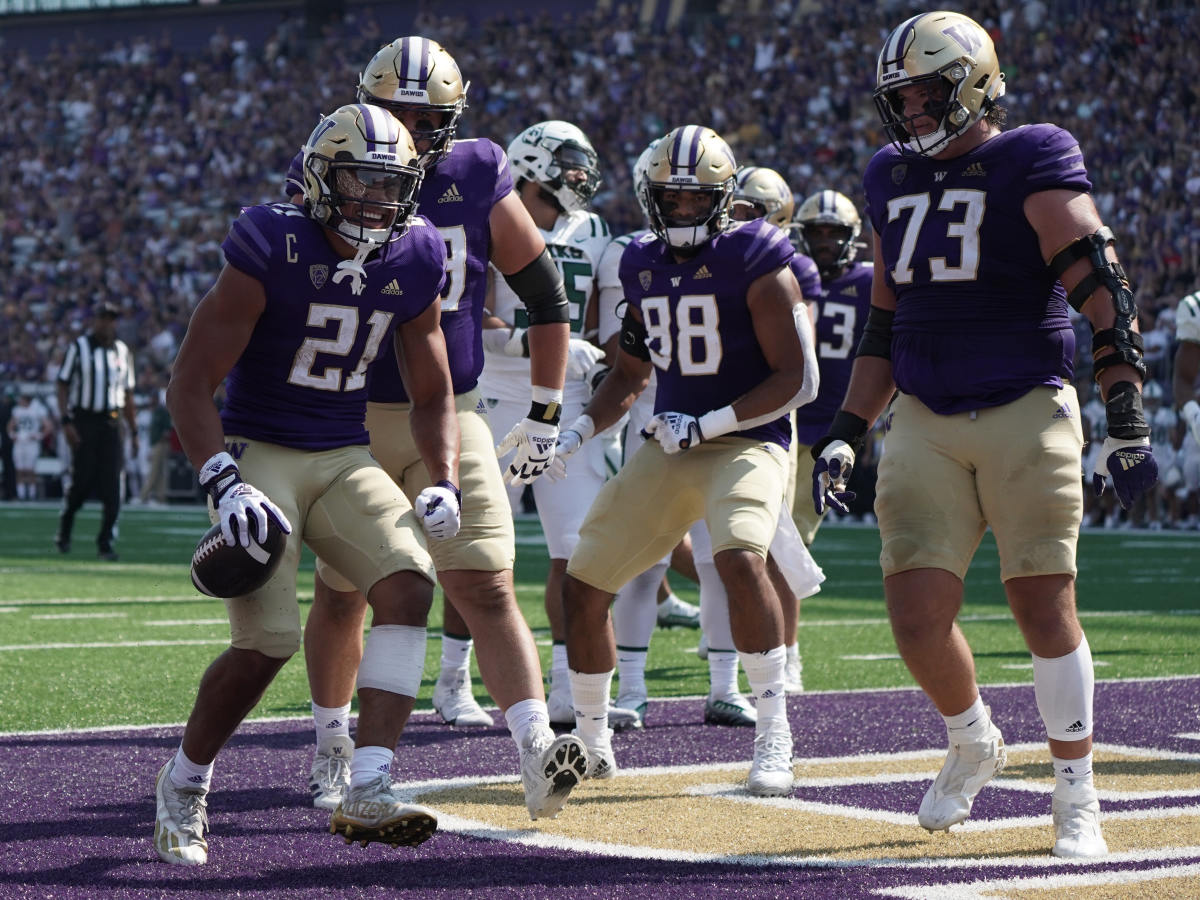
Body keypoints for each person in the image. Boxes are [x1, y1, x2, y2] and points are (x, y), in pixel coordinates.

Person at [153, 104, 580, 867]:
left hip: (343, 450)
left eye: (391, 183)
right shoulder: (272, 242)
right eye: (358, 179)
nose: (376, 199)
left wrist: (444, 479)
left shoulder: (414, 251)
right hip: (264, 450)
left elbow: (430, 391)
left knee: (412, 583)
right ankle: (185, 784)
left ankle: (370, 782)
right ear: (321, 177)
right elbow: (188, 383)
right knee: (268, 643)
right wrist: (221, 479)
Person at [811, 11, 1157, 858]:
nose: (914, 112)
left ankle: (1076, 790)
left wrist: (1125, 412)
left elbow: (1100, 283)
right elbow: (886, 322)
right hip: (925, 416)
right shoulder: (889, 174)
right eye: (903, 98)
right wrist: (850, 428)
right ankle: (972, 736)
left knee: (1042, 603)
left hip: (1023, 404)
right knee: (916, 615)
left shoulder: (1029, 154)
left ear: (972, 82)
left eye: (928, 92)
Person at [290, 38, 585, 818]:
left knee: (486, 581)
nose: (411, 132)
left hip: (449, 413)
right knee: (346, 592)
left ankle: (533, 749)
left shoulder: (477, 170)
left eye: (427, 119)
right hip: (347, 416)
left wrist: (548, 412)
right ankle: (332, 744)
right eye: (395, 114)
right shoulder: (331, 169)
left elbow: (547, 297)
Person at [555, 125, 818, 794]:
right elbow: (628, 375)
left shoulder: (756, 256)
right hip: (672, 442)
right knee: (583, 585)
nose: (680, 211)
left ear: (724, 200)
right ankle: (591, 740)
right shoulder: (640, 264)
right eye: (669, 199)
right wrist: (574, 434)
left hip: (749, 439)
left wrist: (710, 423)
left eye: (695, 199)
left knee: (737, 559)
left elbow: (798, 378)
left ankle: (774, 734)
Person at [478, 119, 637, 731]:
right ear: (533, 164)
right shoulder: (494, 216)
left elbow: (600, 323)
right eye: (568, 164)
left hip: (568, 396)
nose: (580, 177)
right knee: (479, 543)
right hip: (497, 390)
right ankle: (449, 680)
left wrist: (596, 365)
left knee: (578, 549)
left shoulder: (595, 232)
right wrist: (531, 344)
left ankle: (570, 688)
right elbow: (470, 315)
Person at [55, 301, 139, 561]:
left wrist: (133, 430)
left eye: (112, 318)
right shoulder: (79, 348)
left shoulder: (122, 351)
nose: (108, 323)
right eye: (104, 318)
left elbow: (127, 393)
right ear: (95, 321)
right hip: (85, 421)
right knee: (82, 482)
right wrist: (66, 421)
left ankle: (105, 543)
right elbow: (62, 385)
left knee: (113, 485)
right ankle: (65, 528)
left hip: (112, 424)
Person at [7, 392, 52, 500]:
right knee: (19, 470)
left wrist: (38, 436)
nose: (20, 401)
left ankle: (31, 495)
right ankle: (21, 495)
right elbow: (10, 425)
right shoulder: (17, 410)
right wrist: (12, 435)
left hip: (31, 443)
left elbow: (48, 426)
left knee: (31, 470)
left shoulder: (37, 409)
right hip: (20, 442)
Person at [138, 385, 173, 505]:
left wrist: (161, 441)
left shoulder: (161, 410)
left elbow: (167, 428)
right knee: (159, 472)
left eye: (153, 397)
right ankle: (160, 497)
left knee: (154, 471)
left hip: (160, 444)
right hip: (156, 444)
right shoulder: (154, 411)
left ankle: (143, 496)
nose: (152, 400)